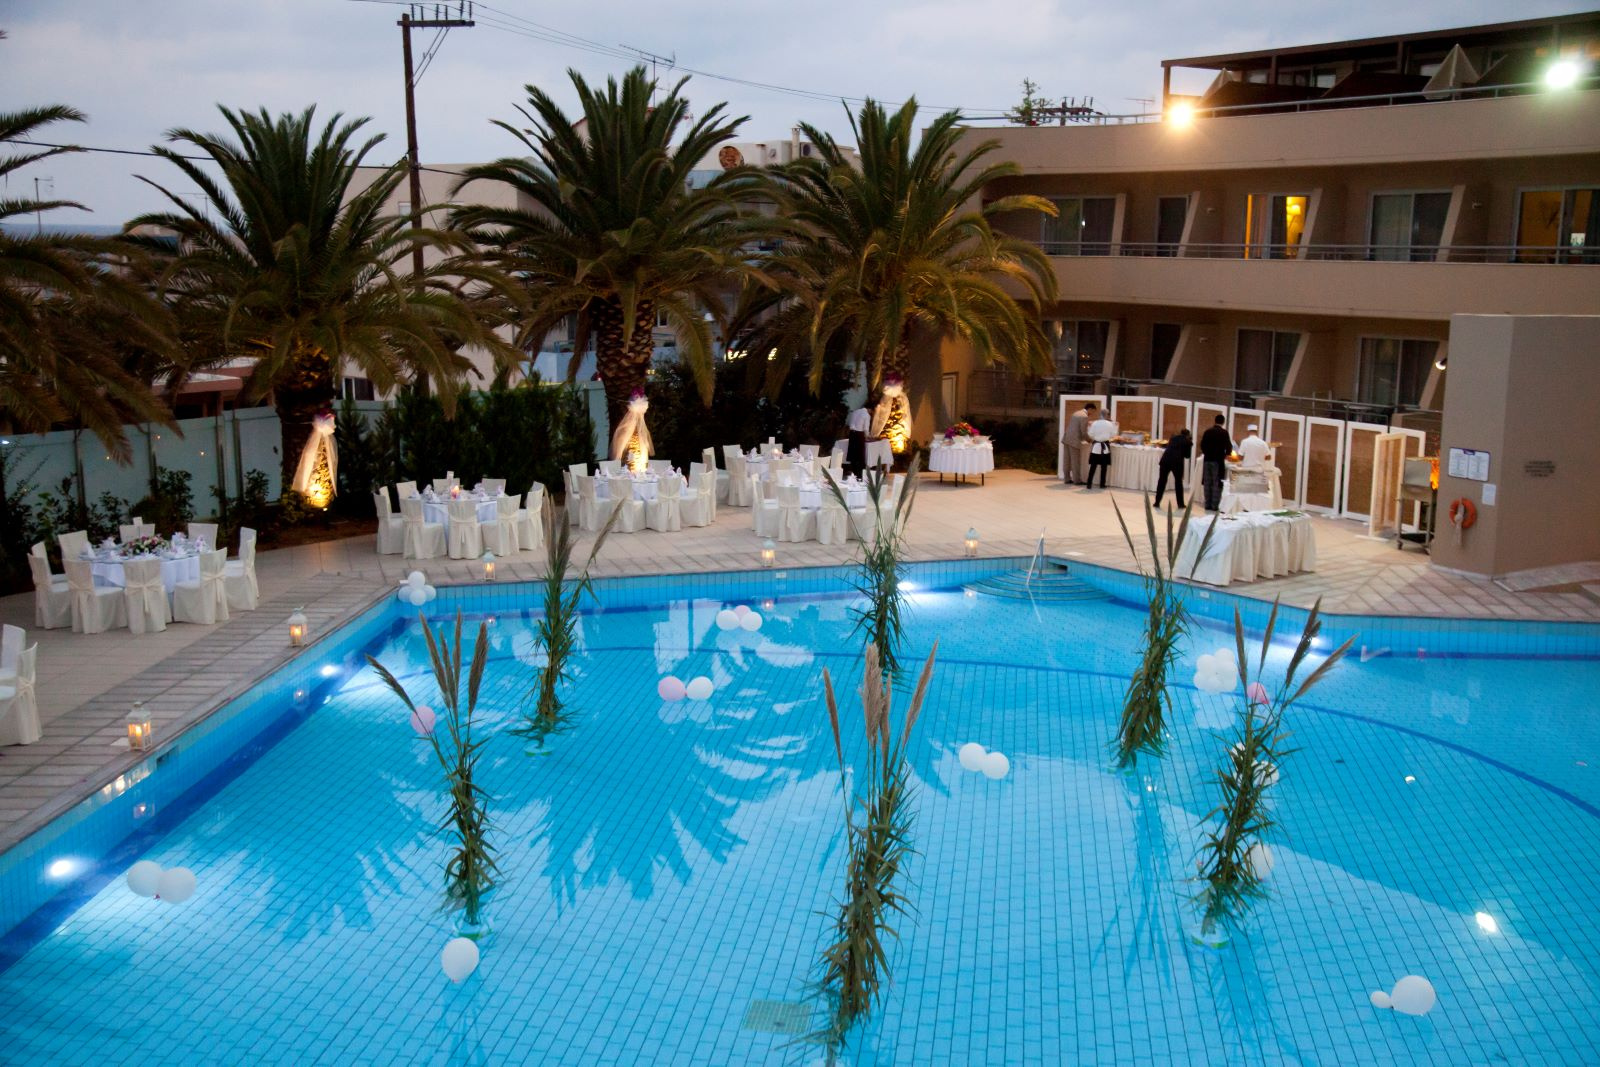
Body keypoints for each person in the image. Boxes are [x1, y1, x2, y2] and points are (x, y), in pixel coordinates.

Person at [1199, 414, 1233, 512]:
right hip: (1218, 461)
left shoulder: (1208, 431)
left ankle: (1207, 504)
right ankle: (1214, 505)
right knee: (1216, 483)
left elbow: (1202, 445)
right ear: (1223, 422)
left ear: (1215, 421)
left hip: (1207, 460)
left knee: (1207, 482)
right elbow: (1229, 447)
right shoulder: (1224, 433)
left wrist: (1206, 453)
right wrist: (1226, 454)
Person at [1154, 428, 1192, 509]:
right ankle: (1180, 504)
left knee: (1162, 481)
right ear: (1188, 435)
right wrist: (1190, 444)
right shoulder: (1187, 441)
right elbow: (1187, 456)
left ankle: (1157, 502)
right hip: (1177, 463)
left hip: (1165, 460)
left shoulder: (1173, 438)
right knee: (1178, 482)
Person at [1062, 401, 1095, 484]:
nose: (1092, 414)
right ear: (1090, 409)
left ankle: (1067, 479)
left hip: (1067, 438)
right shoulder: (1084, 416)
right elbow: (1083, 432)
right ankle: (1077, 480)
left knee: (1067, 460)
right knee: (1075, 461)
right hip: (1075, 441)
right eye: (1093, 411)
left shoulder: (1076, 413)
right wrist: (1090, 440)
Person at [1085, 408, 1118, 489]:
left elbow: (1090, 434)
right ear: (1106, 415)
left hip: (1096, 447)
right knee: (1104, 467)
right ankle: (1102, 484)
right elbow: (1113, 434)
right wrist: (1116, 426)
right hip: (1105, 447)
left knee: (1093, 466)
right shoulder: (1109, 424)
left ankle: (1089, 484)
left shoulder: (1095, 423)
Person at [845, 403, 870, 477]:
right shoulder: (866, 415)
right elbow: (866, 428)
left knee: (853, 453)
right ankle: (859, 474)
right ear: (869, 409)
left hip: (852, 434)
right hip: (859, 435)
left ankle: (853, 472)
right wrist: (868, 436)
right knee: (860, 454)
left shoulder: (855, 412)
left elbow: (850, 423)